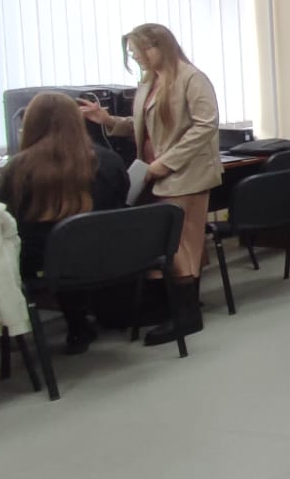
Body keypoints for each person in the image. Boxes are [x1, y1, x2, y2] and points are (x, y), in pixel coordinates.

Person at [79, 23, 221, 346]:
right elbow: (146, 125)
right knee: (164, 243)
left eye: (138, 52)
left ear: (158, 47)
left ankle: (188, 315)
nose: (135, 58)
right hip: (154, 174)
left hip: (184, 176)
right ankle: (168, 308)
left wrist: (165, 163)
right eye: (131, 53)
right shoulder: (149, 82)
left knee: (182, 245)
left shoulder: (192, 79)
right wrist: (107, 121)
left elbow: (206, 126)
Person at [0, 93, 129, 355]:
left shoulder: (17, 169)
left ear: (30, 124)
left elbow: (6, 214)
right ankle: (89, 318)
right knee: (72, 245)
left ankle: (65, 325)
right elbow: (122, 196)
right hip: (106, 255)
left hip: (45, 262)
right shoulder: (110, 160)